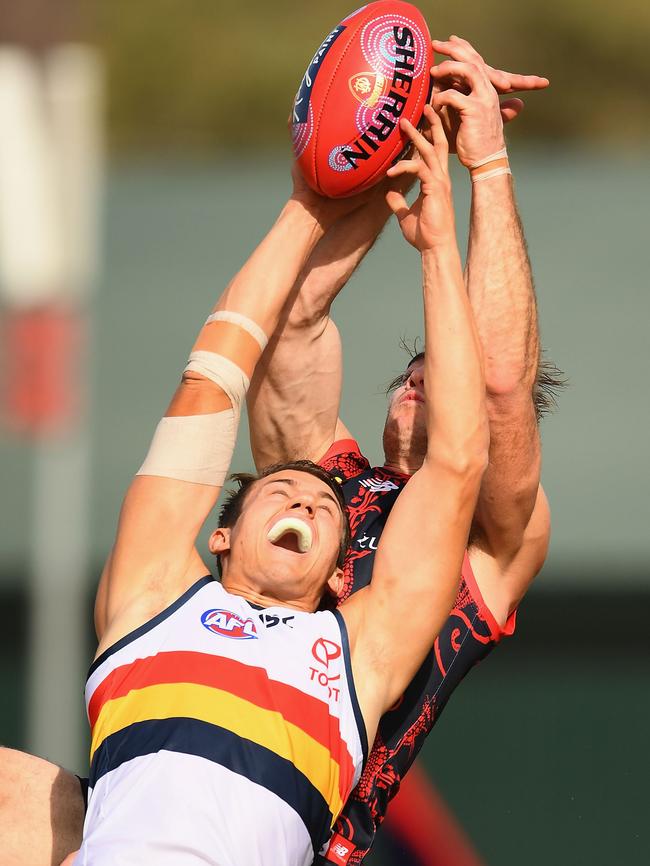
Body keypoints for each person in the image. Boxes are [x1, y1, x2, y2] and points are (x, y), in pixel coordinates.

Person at [17, 107, 488, 866]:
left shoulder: (356, 652)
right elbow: (212, 376)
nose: (305, 498)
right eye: (281, 491)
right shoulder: (154, 595)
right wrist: (306, 208)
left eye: (327, 505)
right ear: (220, 534)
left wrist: (439, 249)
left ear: (341, 571)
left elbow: (460, 461)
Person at [247, 36, 559, 865]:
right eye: (411, 369)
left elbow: (495, 386)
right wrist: (382, 136)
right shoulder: (326, 479)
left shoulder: (492, 542)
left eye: (437, 370)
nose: (423, 379)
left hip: (301, 840)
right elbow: (292, 325)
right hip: (193, 766)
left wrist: (486, 166)